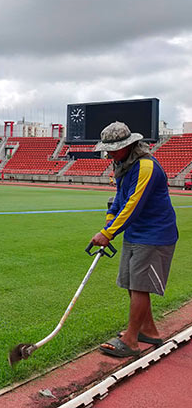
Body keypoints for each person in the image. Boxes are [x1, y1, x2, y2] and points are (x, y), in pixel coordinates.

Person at [90, 122, 178, 358]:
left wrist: (108, 234)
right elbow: (119, 198)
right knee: (132, 283)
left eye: (114, 149)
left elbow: (133, 206)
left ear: (129, 145)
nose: (110, 153)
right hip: (135, 233)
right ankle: (148, 331)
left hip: (155, 234)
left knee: (140, 285)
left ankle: (131, 340)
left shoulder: (146, 166)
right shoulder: (122, 164)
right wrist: (107, 225)